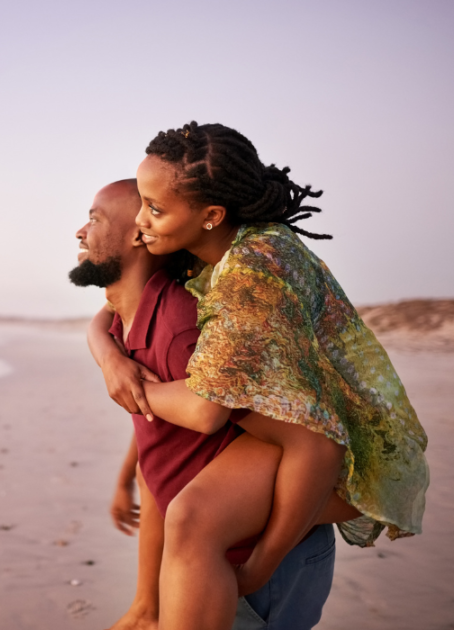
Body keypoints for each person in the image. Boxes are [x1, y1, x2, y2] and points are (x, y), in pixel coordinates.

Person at [91, 122, 430, 630]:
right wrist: (108, 354)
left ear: (211, 215)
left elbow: (263, 427)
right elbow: (109, 311)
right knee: (191, 513)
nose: (139, 222)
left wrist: (262, 562)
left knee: (193, 518)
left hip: (353, 445)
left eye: (154, 209)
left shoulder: (251, 277)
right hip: (301, 435)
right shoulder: (211, 249)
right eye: (141, 202)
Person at [71, 180, 353, 630]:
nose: (80, 232)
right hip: (210, 558)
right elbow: (162, 442)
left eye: (95, 218)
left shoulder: (183, 329)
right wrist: (129, 472)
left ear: (139, 235)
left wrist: (263, 562)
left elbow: (306, 438)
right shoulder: (126, 320)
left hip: (255, 569)